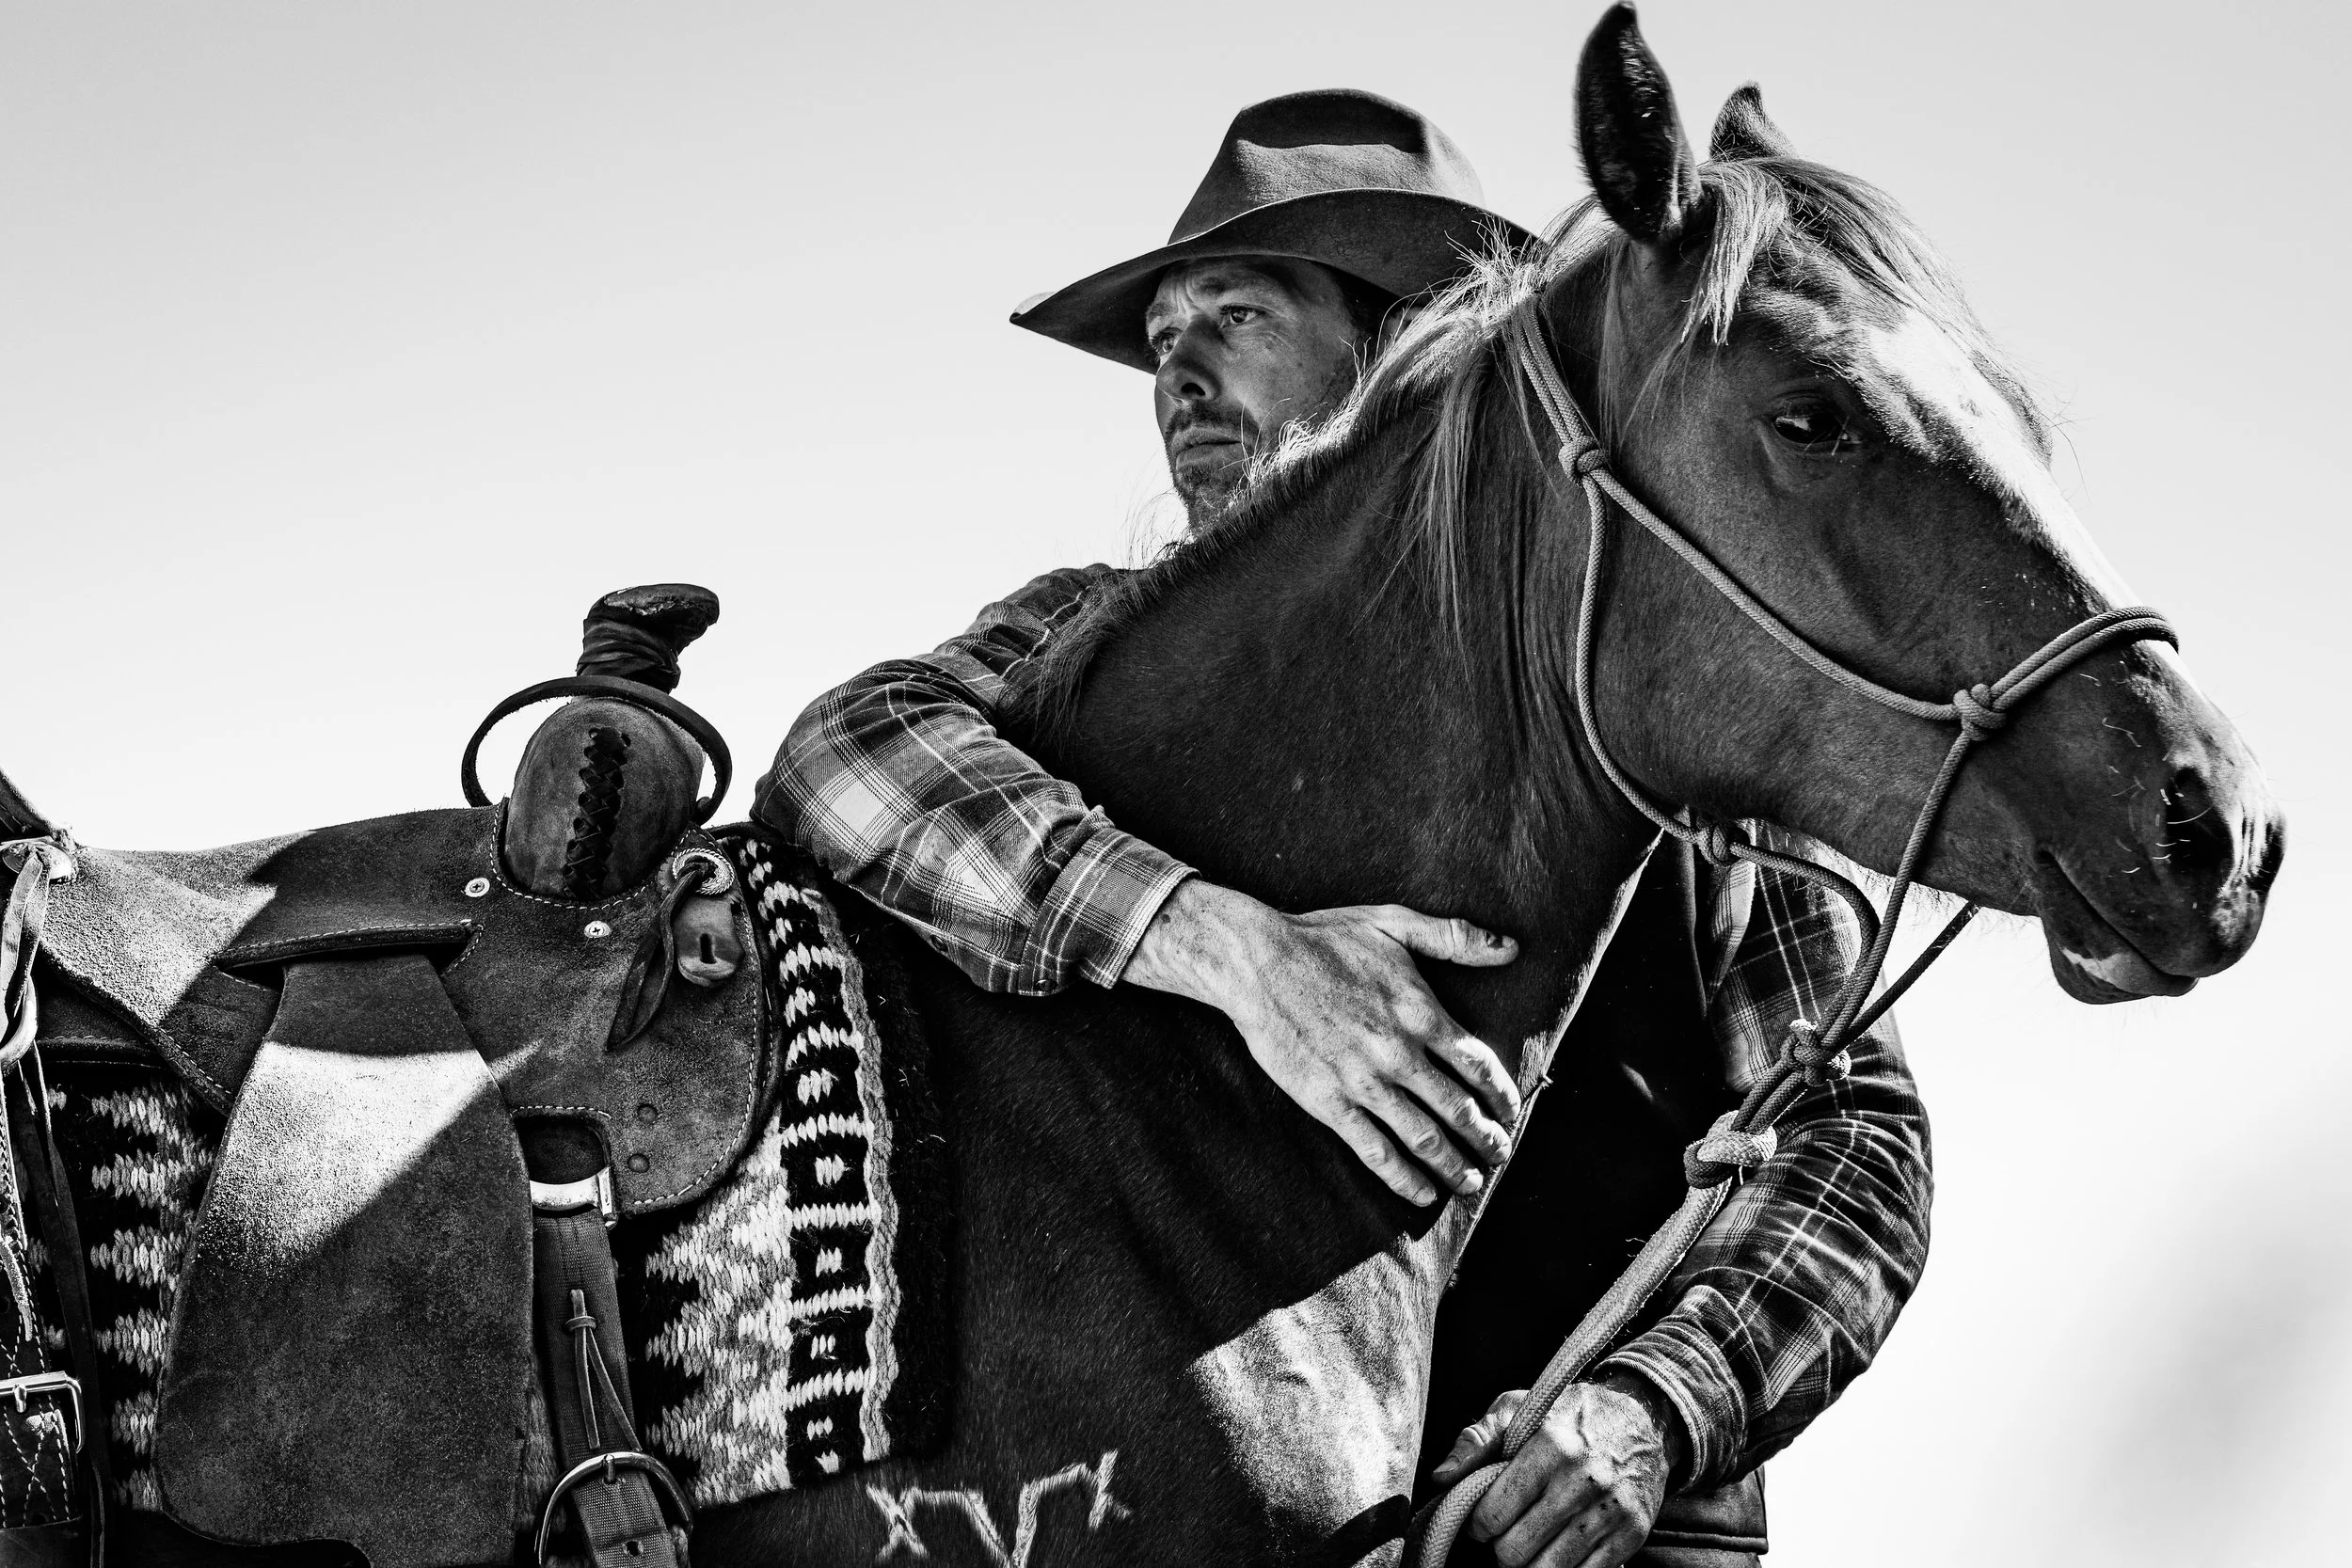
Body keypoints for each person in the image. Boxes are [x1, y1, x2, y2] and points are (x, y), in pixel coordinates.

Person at [756, 89, 1930, 1568]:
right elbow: (842, 761)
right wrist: (1225, 947)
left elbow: (1852, 1139)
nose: (1176, 371)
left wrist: (1644, 1415)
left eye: (1235, 319)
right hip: (1194, 1513)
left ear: (1407, 342)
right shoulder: (1089, 636)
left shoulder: (1669, 709)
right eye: (1164, 340)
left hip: (1592, 1536)